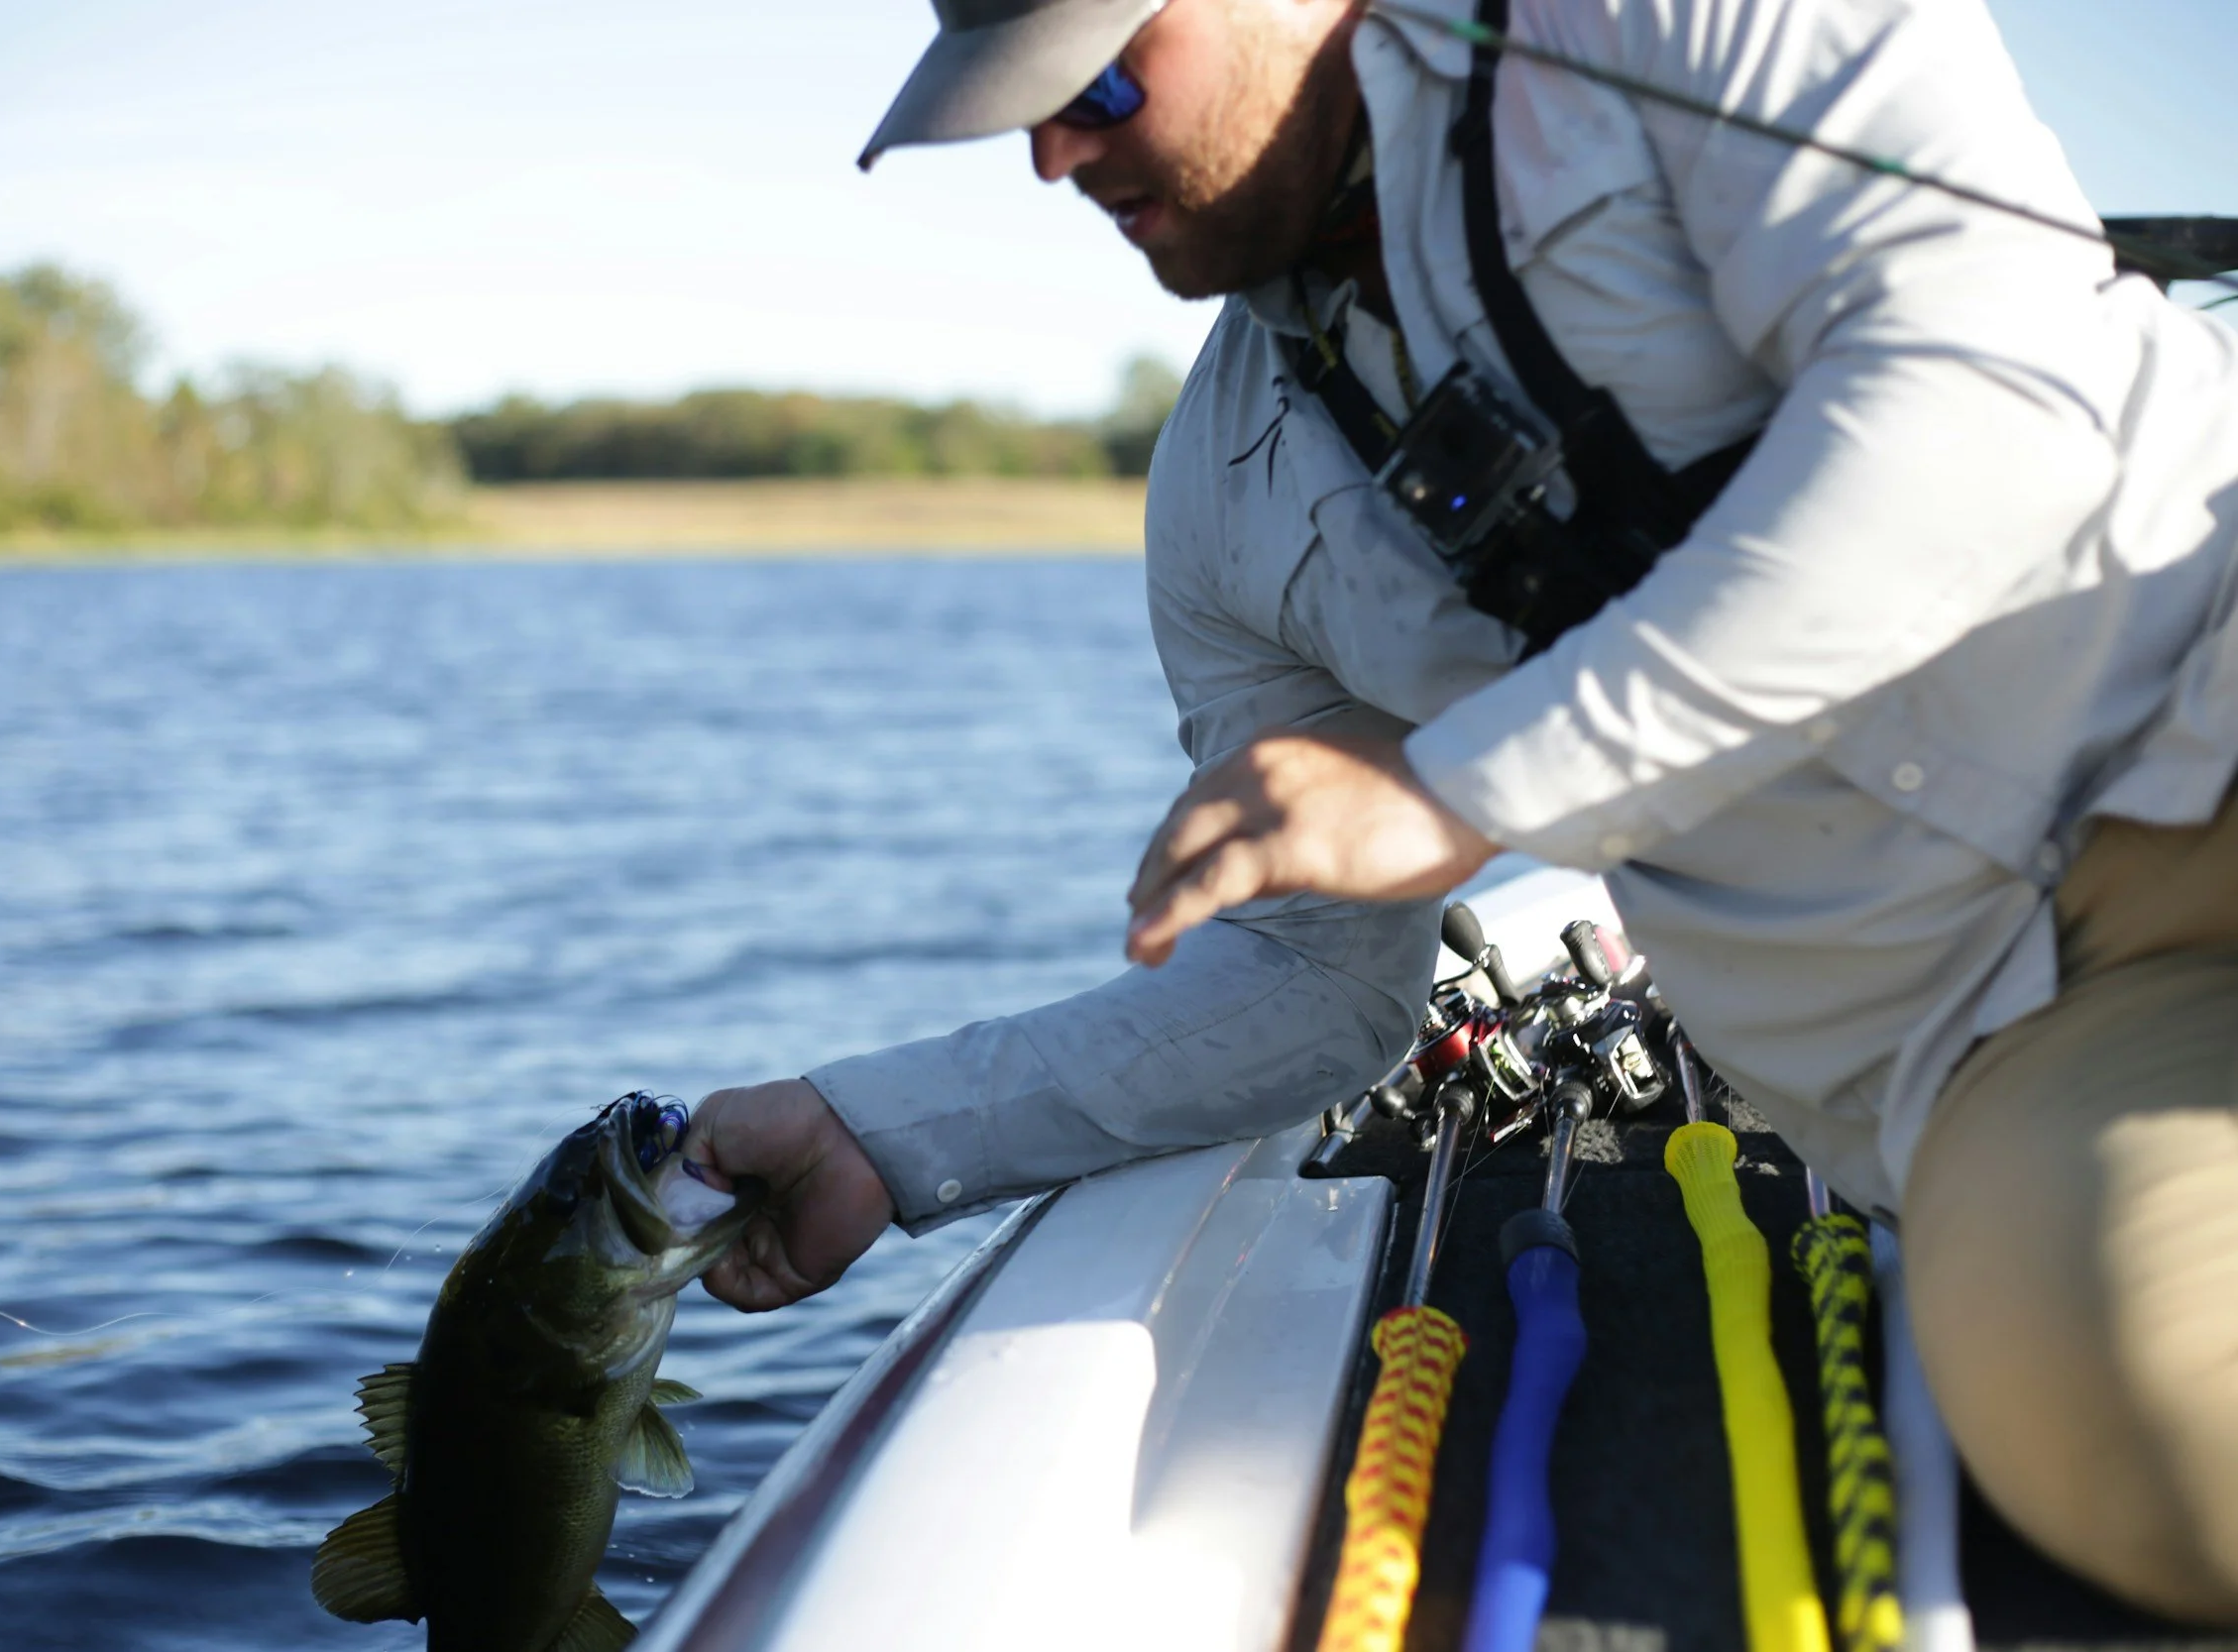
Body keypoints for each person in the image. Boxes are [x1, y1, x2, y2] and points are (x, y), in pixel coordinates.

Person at [682, 0, 2238, 1622]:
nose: (1056, 152)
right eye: (1019, 109)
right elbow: (1312, 985)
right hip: (1991, 1047)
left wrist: (1466, 782)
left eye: (1100, 79)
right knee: (2176, 1456)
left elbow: (1985, 415)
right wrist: (880, 1124)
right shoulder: (1219, 509)